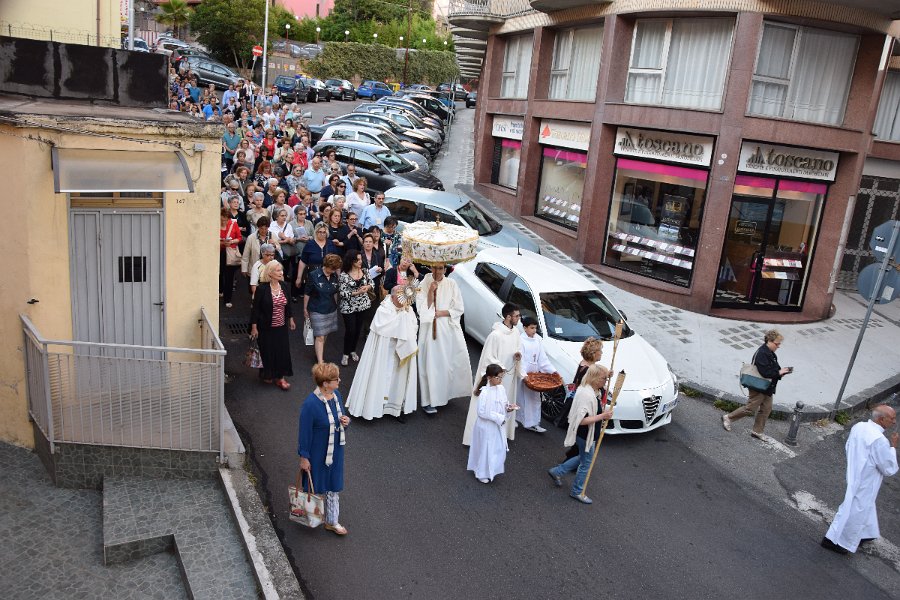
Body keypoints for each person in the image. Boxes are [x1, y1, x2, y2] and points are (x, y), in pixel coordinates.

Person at [822, 405, 898, 554]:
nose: (894, 422)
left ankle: (867, 533)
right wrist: (893, 447)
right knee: (857, 509)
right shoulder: (880, 440)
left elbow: (849, 446)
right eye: (892, 418)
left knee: (863, 506)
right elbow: (887, 467)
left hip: (855, 471)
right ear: (881, 419)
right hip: (867, 479)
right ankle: (835, 540)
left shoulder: (859, 427)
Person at [345, 285, 419, 422]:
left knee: (398, 381)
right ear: (393, 296)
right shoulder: (384, 309)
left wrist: (405, 322)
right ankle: (372, 408)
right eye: (400, 296)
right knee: (379, 378)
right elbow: (384, 327)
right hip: (384, 351)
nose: (403, 300)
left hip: (400, 352)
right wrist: (401, 321)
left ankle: (395, 409)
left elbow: (414, 326)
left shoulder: (408, 310)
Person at [547, 364, 614, 504]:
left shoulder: (591, 389)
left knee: (582, 458)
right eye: (604, 379)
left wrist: (608, 375)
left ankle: (557, 471)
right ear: (595, 378)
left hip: (587, 435)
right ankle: (577, 491)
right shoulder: (586, 395)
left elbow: (601, 391)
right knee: (586, 464)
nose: (605, 381)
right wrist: (602, 416)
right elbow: (581, 420)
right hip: (586, 435)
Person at [298, 362, 351, 536]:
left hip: (335, 451)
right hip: (317, 454)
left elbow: (340, 418)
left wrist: (346, 421)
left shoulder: (336, 396)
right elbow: (304, 433)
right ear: (326, 383)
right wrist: (304, 457)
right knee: (316, 486)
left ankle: (332, 521)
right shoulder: (310, 404)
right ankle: (312, 516)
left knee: (333, 486)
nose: (339, 381)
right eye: (336, 379)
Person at [462, 303, 524, 446]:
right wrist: (501, 369)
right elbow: (488, 358)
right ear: (508, 317)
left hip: (508, 376)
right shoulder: (495, 335)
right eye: (516, 316)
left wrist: (517, 355)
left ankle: (499, 434)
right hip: (496, 378)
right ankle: (479, 438)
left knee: (503, 404)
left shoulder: (515, 332)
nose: (519, 318)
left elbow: (518, 348)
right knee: (488, 407)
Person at [416, 263, 471, 415]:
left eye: (440, 268)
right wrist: (430, 292)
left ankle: (444, 395)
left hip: (447, 329)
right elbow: (421, 308)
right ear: (431, 268)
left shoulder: (452, 283)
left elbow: (459, 308)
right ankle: (428, 401)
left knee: (445, 364)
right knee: (430, 364)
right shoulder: (424, 282)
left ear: (445, 270)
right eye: (435, 268)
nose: (437, 271)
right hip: (429, 330)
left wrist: (441, 313)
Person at [722, 329, 792, 438]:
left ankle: (757, 431)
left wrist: (781, 372)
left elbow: (774, 369)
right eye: (777, 344)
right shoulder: (762, 353)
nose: (778, 346)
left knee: (766, 409)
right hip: (758, 386)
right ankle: (728, 418)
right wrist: (778, 373)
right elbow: (765, 372)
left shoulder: (771, 353)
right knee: (750, 408)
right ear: (769, 341)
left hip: (767, 387)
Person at [250, 261, 296, 390]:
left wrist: (291, 319)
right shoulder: (262, 289)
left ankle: (281, 378)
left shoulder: (285, 286)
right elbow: (256, 309)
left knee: (282, 351)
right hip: (266, 327)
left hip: (281, 326)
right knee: (267, 351)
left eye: (281, 270)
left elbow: (288, 305)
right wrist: (254, 327)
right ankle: (268, 374)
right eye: (278, 270)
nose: (281, 272)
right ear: (270, 273)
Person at [467, 364, 515, 484]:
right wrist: (499, 417)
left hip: (497, 425)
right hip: (486, 426)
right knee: (485, 449)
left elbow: (504, 404)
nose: (500, 380)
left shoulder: (501, 389)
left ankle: (490, 470)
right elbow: (481, 412)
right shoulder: (485, 392)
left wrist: (508, 409)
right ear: (489, 377)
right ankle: (481, 472)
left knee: (496, 448)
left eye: (501, 377)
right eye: (497, 378)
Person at [517, 316, 557, 433]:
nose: (534, 330)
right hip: (524, 375)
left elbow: (542, 358)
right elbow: (520, 360)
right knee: (521, 398)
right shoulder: (520, 341)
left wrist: (552, 371)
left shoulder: (537, 340)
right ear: (525, 328)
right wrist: (524, 375)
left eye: (535, 328)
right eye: (532, 328)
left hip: (535, 377)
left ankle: (533, 423)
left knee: (534, 400)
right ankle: (518, 419)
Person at [304, 254, 342, 364]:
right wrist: (305, 309)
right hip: (317, 309)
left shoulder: (334, 276)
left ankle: (318, 353)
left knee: (325, 334)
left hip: (331, 309)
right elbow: (307, 293)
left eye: (336, 269)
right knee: (320, 336)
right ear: (326, 265)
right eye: (333, 268)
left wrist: (336, 305)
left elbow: (335, 293)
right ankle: (320, 362)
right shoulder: (313, 275)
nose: (334, 271)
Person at [338, 251, 373, 366]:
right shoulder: (343, 275)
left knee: (358, 329)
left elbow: (371, 283)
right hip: (348, 307)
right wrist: (357, 292)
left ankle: (353, 350)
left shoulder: (365, 271)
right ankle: (345, 353)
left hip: (363, 305)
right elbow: (342, 293)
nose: (360, 261)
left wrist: (367, 287)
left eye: (360, 259)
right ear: (351, 261)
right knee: (350, 330)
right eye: (357, 260)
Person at [295, 222, 338, 295]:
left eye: (324, 232)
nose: (322, 234)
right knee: (312, 296)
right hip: (313, 276)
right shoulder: (310, 244)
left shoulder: (331, 244)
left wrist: (338, 277)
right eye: (320, 232)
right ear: (316, 232)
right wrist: (299, 278)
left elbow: (336, 262)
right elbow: (303, 262)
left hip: (328, 275)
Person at [219, 208, 242, 309]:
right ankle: (220, 290)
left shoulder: (233, 224)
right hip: (218, 252)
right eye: (222, 219)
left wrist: (231, 241)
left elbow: (239, 238)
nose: (224, 221)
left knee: (229, 277)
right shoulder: (215, 224)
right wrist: (221, 242)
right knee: (219, 274)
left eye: (226, 219)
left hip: (230, 252)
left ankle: (227, 299)